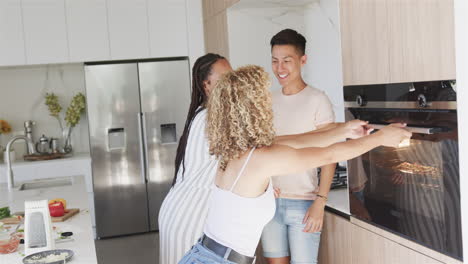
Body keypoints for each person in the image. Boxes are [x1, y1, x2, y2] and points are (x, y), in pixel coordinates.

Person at [179, 65, 412, 264]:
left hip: (204, 255)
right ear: (253, 108)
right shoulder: (259, 158)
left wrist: (344, 130)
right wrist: (381, 138)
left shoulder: (235, 150)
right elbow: (328, 155)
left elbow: (298, 141)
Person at [261, 28, 338, 264]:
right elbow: (262, 151)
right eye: (275, 61)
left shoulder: (318, 100)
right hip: (268, 203)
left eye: (287, 60)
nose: (280, 68)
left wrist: (320, 201)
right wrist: (263, 187)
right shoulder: (268, 100)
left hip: (304, 203)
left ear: (302, 60)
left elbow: (330, 154)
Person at [158, 53, 232, 264]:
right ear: (207, 84)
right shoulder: (213, 117)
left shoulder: (205, 113)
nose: (232, 82)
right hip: (193, 215)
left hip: (183, 210)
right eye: (225, 77)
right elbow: (249, 155)